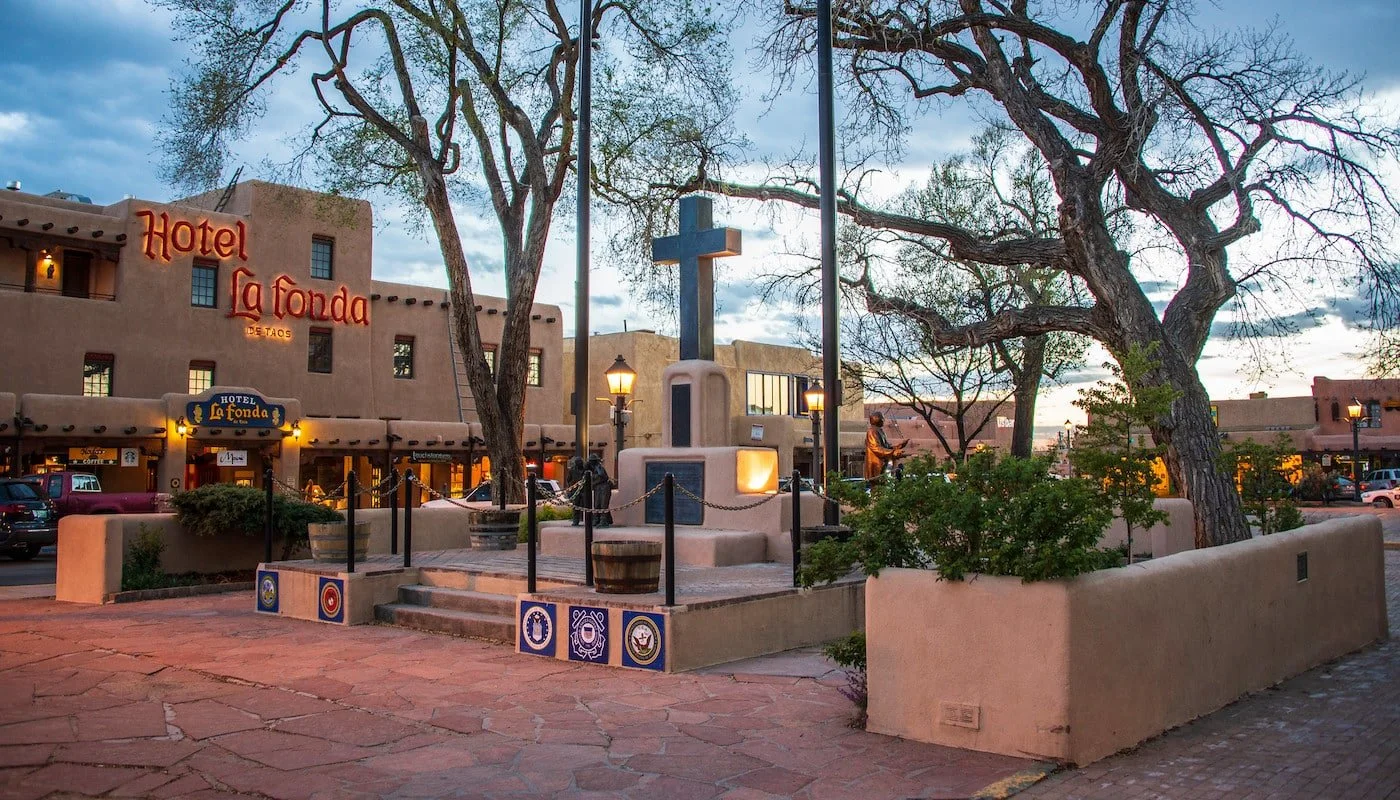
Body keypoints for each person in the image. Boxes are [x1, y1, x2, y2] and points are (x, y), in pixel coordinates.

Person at [864, 411, 909, 485]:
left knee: (884, 488)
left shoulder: (880, 431)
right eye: (882, 418)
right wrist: (893, 452)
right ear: (877, 419)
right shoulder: (871, 431)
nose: (884, 420)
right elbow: (876, 448)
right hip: (876, 466)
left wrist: (899, 447)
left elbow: (886, 447)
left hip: (884, 465)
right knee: (877, 490)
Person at [587, 454, 614, 527]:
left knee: (603, 504)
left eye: (592, 461)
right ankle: (597, 519)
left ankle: (603, 521)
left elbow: (601, 475)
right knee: (597, 504)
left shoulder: (599, 467)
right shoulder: (593, 469)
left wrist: (597, 468)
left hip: (604, 487)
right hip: (597, 488)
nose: (591, 463)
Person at [565, 456, 588, 525]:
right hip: (576, 490)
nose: (579, 464)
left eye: (580, 462)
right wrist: (571, 488)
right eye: (578, 463)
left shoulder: (586, 469)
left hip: (585, 490)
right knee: (576, 505)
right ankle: (576, 520)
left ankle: (588, 520)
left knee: (587, 505)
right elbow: (568, 479)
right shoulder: (572, 470)